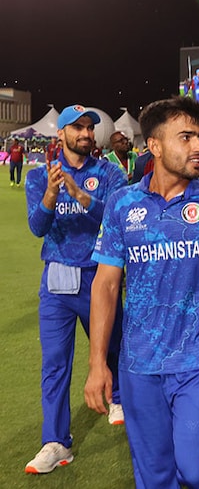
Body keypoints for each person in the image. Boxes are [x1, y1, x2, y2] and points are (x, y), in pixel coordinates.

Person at [84, 96, 199, 488]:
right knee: (154, 477)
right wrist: (97, 362)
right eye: (185, 137)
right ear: (154, 145)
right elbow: (105, 284)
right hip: (139, 363)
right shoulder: (123, 204)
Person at [24, 104, 128, 474]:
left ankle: (117, 398)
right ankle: (55, 442)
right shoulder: (39, 177)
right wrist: (53, 193)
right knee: (55, 364)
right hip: (57, 278)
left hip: (100, 276)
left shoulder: (110, 173)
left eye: (89, 128)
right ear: (61, 135)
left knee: (114, 346)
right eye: (78, 128)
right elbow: (38, 227)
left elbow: (115, 218)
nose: (86, 134)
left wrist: (79, 194)